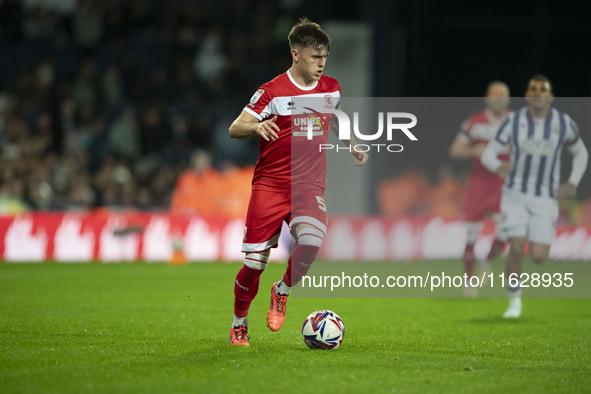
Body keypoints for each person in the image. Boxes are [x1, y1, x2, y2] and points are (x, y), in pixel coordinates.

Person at [227, 18, 368, 346]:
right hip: (270, 186)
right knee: (252, 265)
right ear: (296, 54)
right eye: (316, 57)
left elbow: (335, 118)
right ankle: (239, 322)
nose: (322, 64)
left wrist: (352, 144)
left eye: (325, 57)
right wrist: (256, 127)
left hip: (309, 185)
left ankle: (282, 291)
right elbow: (236, 127)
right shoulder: (271, 92)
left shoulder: (331, 87)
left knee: (313, 241)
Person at [481, 75, 588, 318]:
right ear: (527, 95)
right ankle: (514, 302)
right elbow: (489, 153)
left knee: (539, 257)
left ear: (550, 97)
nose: (538, 93)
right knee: (516, 246)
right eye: (533, 89)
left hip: (545, 198)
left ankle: (528, 249)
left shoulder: (563, 123)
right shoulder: (513, 121)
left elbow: (581, 154)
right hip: (515, 194)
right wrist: (498, 166)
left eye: (543, 90)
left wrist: (572, 183)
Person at [448, 81, 511, 297]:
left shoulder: (517, 122)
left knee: (505, 232)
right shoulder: (475, 123)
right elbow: (455, 150)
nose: (498, 98)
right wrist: (474, 150)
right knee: (472, 234)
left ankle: (487, 260)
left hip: (504, 184)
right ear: (487, 98)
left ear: (508, 99)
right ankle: (469, 281)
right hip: (479, 183)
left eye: (502, 95)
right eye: (494, 95)